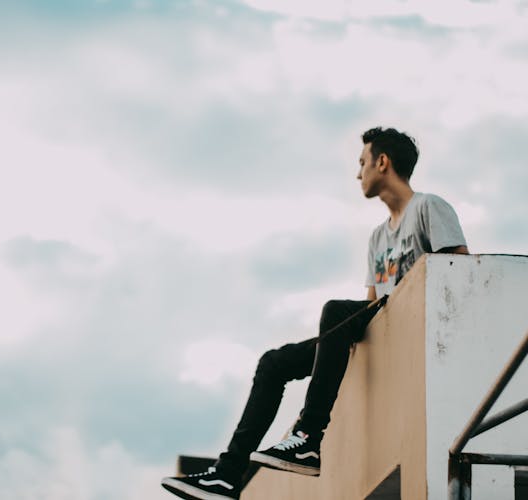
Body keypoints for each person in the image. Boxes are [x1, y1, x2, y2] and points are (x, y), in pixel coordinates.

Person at [161, 127, 469, 500]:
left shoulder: (428, 207)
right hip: (376, 332)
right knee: (274, 362)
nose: (358, 174)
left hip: (416, 331)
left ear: (382, 162)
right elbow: (370, 306)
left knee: (335, 310)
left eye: (362, 162)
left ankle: (308, 437)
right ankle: (227, 476)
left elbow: (458, 274)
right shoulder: (377, 237)